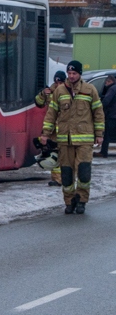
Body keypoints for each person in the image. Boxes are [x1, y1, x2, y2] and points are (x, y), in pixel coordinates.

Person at [40, 60, 105, 214]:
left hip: (84, 140)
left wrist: (99, 134)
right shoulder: (60, 91)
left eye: (74, 73)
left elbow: (98, 113)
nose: (71, 76)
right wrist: (45, 134)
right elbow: (51, 114)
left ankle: (82, 200)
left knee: (83, 171)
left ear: (79, 74)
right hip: (65, 140)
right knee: (66, 173)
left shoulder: (90, 90)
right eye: (69, 73)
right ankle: (69, 201)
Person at [35, 70, 66, 185]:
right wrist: (43, 94)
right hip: (52, 129)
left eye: (60, 82)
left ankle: (65, 179)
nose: (58, 85)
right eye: (56, 82)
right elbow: (38, 103)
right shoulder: (50, 91)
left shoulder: (68, 92)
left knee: (65, 154)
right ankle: (56, 179)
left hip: (64, 128)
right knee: (54, 153)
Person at [101, 75, 116, 157]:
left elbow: (106, 101)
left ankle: (103, 152)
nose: (105, 85)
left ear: (110, 81)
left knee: (107, 135)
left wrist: (100, 108)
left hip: (111, 115)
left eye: (106, 83)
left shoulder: (112, 89)